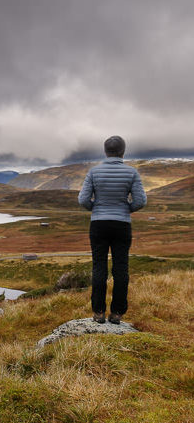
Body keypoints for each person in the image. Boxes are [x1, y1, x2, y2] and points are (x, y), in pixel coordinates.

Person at [78, 135, 147, 324]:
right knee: (121, 269)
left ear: (105, 151)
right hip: (122, 224)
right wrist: (126, 209)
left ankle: (98, 313)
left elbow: (83, 200)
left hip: (99, 224)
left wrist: (97, 208)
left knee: (99, 267)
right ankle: (117, 314)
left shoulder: (94, 172)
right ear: (123, 152)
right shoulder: (132, 173)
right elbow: (140, 201)